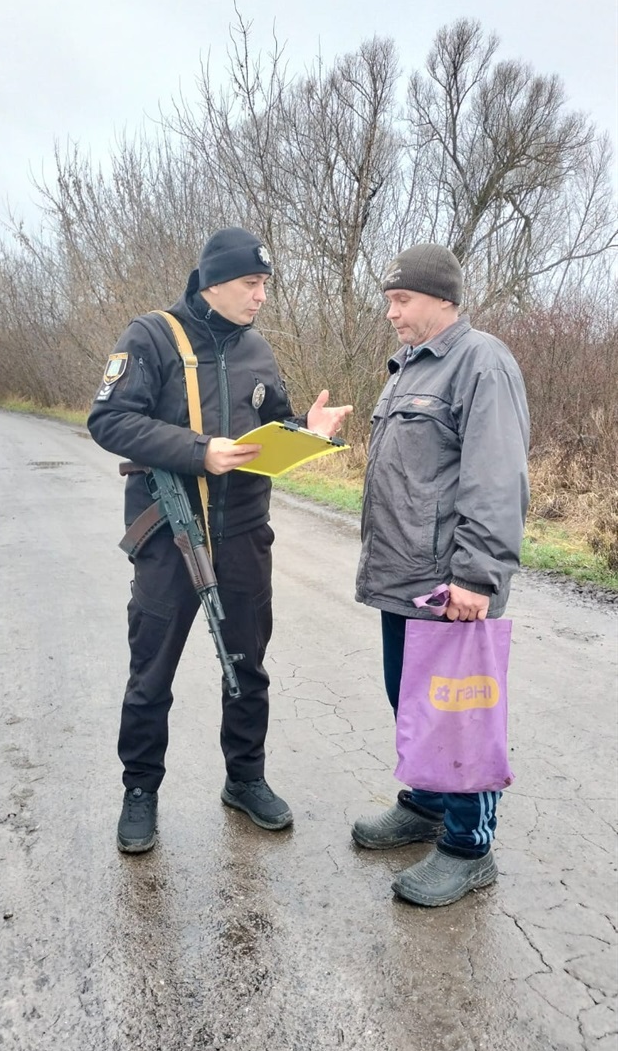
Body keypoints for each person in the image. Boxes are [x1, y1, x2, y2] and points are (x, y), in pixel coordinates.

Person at [89, 227, 351, 853]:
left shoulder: (259, 349)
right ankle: (141, 791)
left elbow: (269, 428)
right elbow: (109, 419)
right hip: (170, 538)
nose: (261, 297)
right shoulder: (150, 336)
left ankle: (246, 779)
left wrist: (305, 430)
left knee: (247, 667)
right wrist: (198, 451)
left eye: (265, 285)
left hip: (242, 537)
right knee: (151, 671)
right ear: (212, 282)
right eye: (250, 285)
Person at [352, 243, 529, 907]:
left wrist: (477, 577)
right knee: (411, 699)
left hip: (452, 586)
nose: (391, 312)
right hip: (403, 578)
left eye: (401, 300)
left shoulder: (482, 361)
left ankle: (467, 846)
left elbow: (496, 473)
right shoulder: (405, 368)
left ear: (441, 299)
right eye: (389, 300)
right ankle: (424, 804)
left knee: (461, 717)